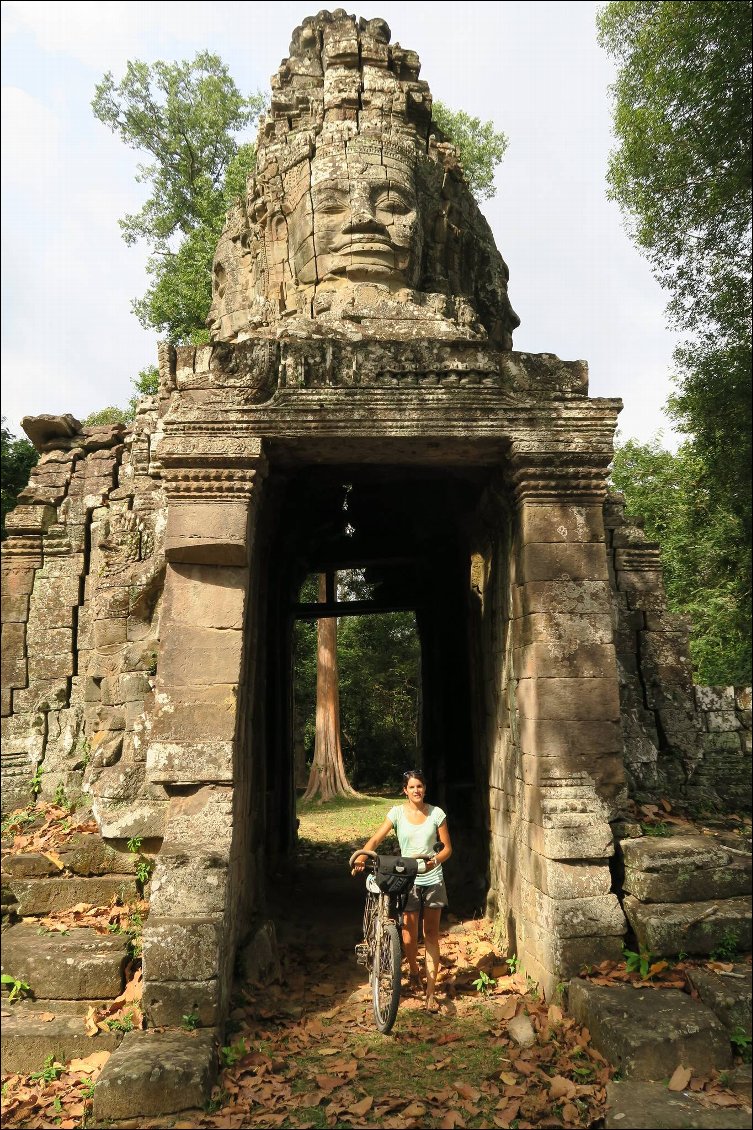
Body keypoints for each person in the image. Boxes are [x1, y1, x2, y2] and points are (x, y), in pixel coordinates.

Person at [354, 769, 452, 1013]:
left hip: (432, 878)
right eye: (412, 787)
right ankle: (414, 970)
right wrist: (364, 854)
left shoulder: (437, 814)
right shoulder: (397, 813)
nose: (416, 790)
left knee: (430, 933)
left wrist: (435, 861)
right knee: (408, 935)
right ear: (405, 791)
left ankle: (430, 992)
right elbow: (377, 838)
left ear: (424, 789)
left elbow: (447, 849)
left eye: (420, 786)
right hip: (408, 879)